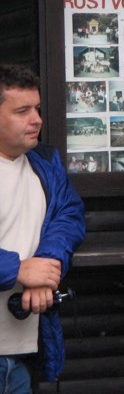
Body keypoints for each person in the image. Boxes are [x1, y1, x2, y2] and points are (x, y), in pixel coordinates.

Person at [0, 64, 86, 392]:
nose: (36, 119)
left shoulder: (45, 163)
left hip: (24, 352)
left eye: (36, 108)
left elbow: (69, 216)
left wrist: (47, 265)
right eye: (22, 111)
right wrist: (20, 270)